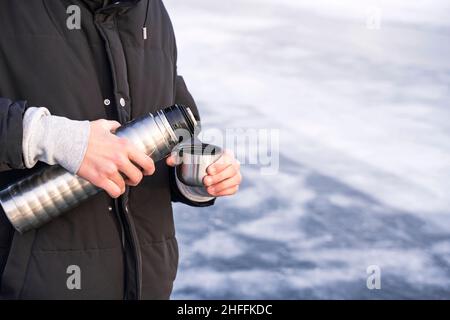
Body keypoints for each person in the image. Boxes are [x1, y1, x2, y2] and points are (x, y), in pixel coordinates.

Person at [0, 0, 241, 299]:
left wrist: (198, 176)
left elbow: (177, 131)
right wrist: (53, 138)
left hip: (147, 284)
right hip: (34, 284)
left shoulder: (152, 10)